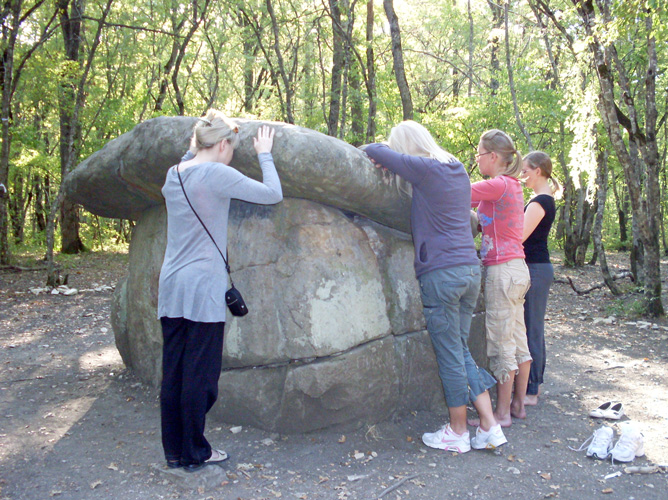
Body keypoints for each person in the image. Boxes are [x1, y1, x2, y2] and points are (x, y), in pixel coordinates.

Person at [364, 121, 507, 453]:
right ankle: (489, 425)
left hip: (441, 274)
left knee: (449, 355)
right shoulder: (455, 168)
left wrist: (385, 152)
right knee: (459, 348)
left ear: (407, 147)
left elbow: (374, 151)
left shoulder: (424, 169)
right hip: (469, 272)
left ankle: (458, 431)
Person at [157, 111, 283, 472]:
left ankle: (174, 451)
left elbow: (189, 154)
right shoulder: (217, 174)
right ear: (224, 144)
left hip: (172, 285)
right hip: (202, 288)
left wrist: (205, 131)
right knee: (200, 376)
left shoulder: (174, 174)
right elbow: (272, 194)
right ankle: (195, 451)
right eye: (232, 147)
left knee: (175, 372)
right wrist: (264, 153)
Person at [471, 129, 531, 427]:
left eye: (479, 155)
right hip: (518, 268)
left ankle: (502, 413)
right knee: (518, 339)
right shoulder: (512, 185)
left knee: (501, 342)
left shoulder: (496, 185)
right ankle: (518, 406)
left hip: (502, 271)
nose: (477, 160)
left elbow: (456, 192)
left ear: (493, 157)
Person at [521, 151, 560, 406]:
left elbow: (518, 237)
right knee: (532, 327)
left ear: (538, 171)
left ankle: (532, 391)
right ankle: (531, 386)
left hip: (535, 269)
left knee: (532, 328)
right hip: (535, 268)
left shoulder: (539, 203)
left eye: (525, 170)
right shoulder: (540, 199)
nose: (522, 174)